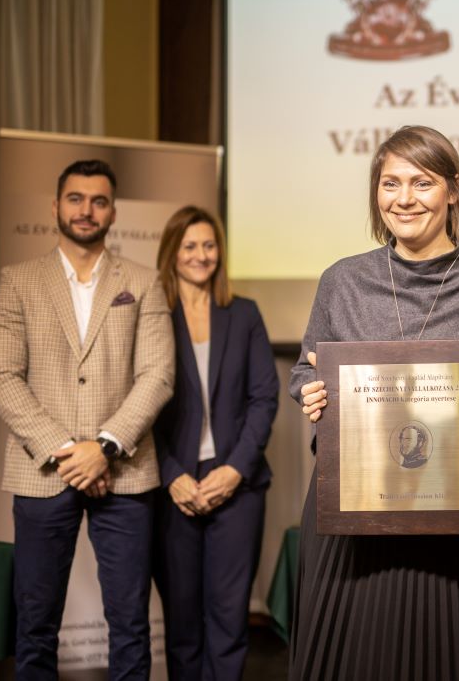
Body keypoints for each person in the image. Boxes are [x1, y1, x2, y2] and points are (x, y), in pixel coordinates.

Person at [290, 125, 459, 680]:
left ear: (453, 190)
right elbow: (305, 369)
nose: (404, 199)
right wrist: (310, 390)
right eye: (390, 183)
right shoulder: (342, 282)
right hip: (353, 525)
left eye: (422, 182)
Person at [0, 159, 175, 679]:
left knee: (130, 623)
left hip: (126, 472)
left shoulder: (143, 281)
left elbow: (157, 376)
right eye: (75, 198)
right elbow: (0, 377)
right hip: (44, 471)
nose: (86, 210)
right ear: (55, 206)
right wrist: (70, 451)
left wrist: (104, 447)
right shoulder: (18, 281)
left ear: (112, 212)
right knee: (35, 623)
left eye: (98, 200)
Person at [151, 205, 279, 680]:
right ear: (171, 252)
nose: (201, 255)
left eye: (209, 245)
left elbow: (264, 397)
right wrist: (171, 475)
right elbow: (139, 405)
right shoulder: (152, 315)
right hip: (172, 487)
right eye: (189, 246)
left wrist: (235, 470)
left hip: (237, 485)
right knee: (183, 625)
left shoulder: (243, 313)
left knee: (229, 621)